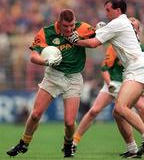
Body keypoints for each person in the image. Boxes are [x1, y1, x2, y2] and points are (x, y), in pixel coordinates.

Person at [66, 0, 144, 156]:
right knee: (118, 112)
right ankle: (132, 148)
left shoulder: (118, 23)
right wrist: (100, 30)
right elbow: (100, 36)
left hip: (138, 69)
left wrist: (75, 40)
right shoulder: (122, 23)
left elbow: (94, 43)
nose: (105, 12)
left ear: (118, 10)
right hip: (136, 69)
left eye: (108, 9)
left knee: (121, 108)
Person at [6, 9, 95, 158]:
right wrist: (46, 61)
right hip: (53, 76)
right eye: (66, 26)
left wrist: (79, 40)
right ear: (59, 22)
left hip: (74, 78)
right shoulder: (46, 32)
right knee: (35, 114)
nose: (69, 29)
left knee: (69, 122)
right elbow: (33, 57)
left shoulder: (82, 28)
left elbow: (96, 42)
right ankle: (23, 143)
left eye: (72, 25)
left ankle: (68, 145)